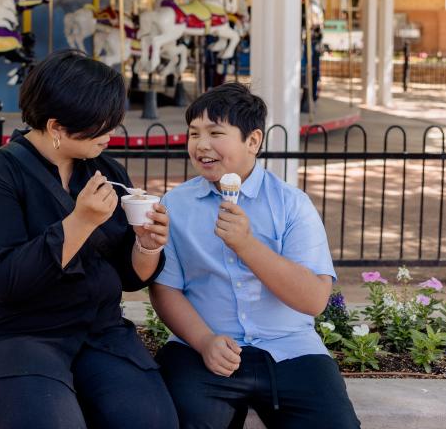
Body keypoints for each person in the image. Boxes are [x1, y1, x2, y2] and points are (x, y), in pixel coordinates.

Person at [0, 50, 178, 429]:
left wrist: (148, 244)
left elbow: (130, 277)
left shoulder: (104, 168)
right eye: (101, 125)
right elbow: (5, 283)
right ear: (57, 127)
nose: (111, 134)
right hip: (13, 336)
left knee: (152, 421)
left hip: (97, 333)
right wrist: (79, 223)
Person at [150, 83, 360, 429]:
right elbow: (165, 289)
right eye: (193, 134)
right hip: (201, 349)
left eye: (216, 132)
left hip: (291, 349)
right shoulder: (176, 205)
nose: (201, 145)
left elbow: (313, 299)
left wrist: (246, 245)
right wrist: (204, 342)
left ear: (253, 141)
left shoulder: (292, 205)